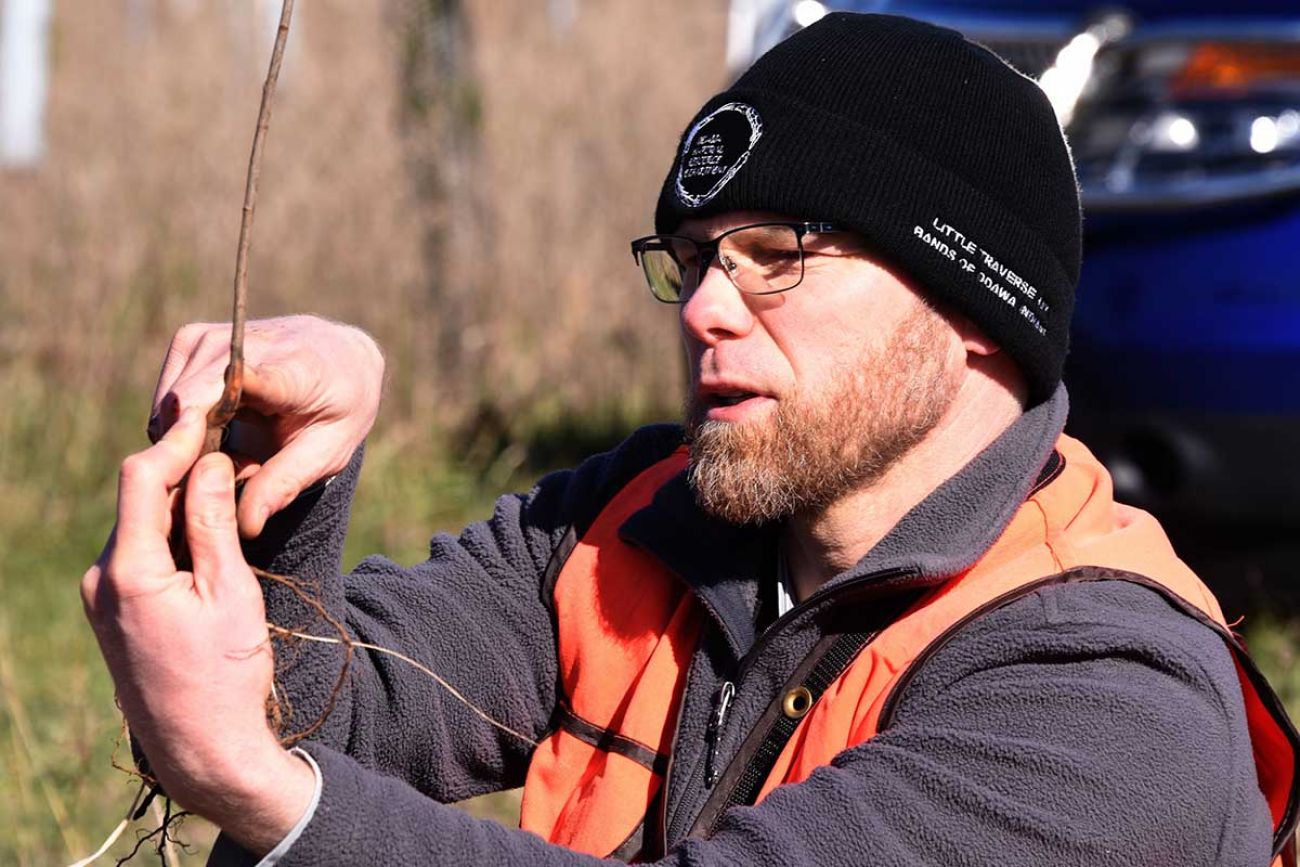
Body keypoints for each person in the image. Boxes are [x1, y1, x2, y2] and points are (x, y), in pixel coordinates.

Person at [82, 13, 1299, 867]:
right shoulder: (634, 525)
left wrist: (260, 793)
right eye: (696, 259)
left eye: (780, 256)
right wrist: (276, 460)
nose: (708, 305)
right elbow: (309, 716)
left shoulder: (1107, 704)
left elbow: (269, 773)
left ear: (976, 316)